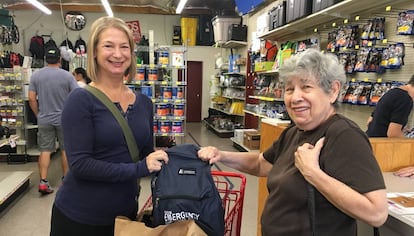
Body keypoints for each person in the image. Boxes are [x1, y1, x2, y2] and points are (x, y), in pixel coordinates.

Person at [198, 49, 388, 236]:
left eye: (306, 87)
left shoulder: (344, 135)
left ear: (332, 91)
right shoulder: (295, 131)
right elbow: (261, 164)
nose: (295, 97)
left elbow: (376, 213)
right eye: (289, 89)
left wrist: (312, 173)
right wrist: (221, 155)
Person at [49, 16, 169, 236]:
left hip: (125, 216)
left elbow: (144, 153)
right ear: (94, 52)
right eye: (108, 46)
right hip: (80, 218)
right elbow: (80, 164)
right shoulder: (80, 100)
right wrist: (139, 169)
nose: (117, 54)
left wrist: (188, 157)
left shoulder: (143, 103)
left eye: (124, 47)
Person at [28, 45, 79, 194]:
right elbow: (77, 96)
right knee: (65, 149)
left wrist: (38, 115)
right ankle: (66, 181)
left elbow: (31, 98)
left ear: (45, 59)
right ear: (60, 59)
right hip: (64, 119)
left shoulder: (36, 76)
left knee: (45, 150)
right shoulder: (67, 76)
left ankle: (43, 182)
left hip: (44, 118)